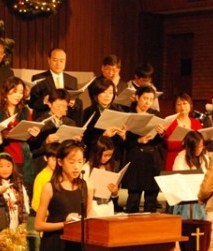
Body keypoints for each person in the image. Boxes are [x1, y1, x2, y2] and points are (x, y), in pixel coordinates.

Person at [121, 85, 166, 213]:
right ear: (137, 97)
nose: (147, 102)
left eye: (151, 100)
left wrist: (161, 133)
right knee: (133, 198)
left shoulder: (155, 115)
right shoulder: (129, 115)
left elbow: (159, 141)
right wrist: (138, 141)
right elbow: (124, 143)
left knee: (151, 199)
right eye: (145, 98)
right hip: (136, 158)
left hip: (152, 159)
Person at [0, 76, 37, 189]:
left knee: (23, 190)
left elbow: (30, 139)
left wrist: (34, 134)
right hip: (3, 156)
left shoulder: (24, 111)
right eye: (15, 91)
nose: (18, 95)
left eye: (21, 92)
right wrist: (0, 135)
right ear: (6, 91)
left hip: (23, 157)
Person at [31, 89, 78, 177]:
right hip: (44, 167)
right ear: (49, 104)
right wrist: (46, 142)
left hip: (64, 167)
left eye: (64, 106)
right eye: (58, 106)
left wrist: (76, 141)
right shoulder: (40, 123)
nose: (61, 109)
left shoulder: (70, 123)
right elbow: (32, 152)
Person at [29, 48, 82, 123]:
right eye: (55, 60)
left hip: (66, 120)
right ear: (49, 60)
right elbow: (32, 103)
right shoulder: (39, 78)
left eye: (61, 61)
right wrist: (44, 100)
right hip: (45, 120)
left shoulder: (72, 80)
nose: (58, 63)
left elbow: (77, 103)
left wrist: (73, 103)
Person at [82, 77, 126, 166]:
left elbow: (123, 142)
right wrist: (103, 135)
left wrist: (123, 136)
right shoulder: (88, 112)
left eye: (110, 92)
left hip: (114, 157)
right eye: (104, 92)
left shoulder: (119, 111)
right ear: (96, 94)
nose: (107, 96)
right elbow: (86, 138)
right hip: (94, 156)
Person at [171, 130, 210, 220]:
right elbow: (177, 179)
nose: (200, 149)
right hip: (186, 200)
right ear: (190, 147)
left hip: (201, 198)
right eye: (197, 147)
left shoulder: (204, 158)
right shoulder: (181, 158)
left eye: (202, 146)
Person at [164, 93, 203, 170]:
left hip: (192, 159)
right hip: (174, 158)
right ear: (175, 108)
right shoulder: (170, 122)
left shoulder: (196, 123)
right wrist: (185, 143)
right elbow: (167, 144)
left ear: (190, 105)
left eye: (185, 103)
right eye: (179, 104)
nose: (182, 107)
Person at [83, 136, 120, 217]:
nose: (107, 158)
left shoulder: (110, 167)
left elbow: (114, 194)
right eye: (105, 155)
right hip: (94, 206)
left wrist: (114, 192)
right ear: (97, 153)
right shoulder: (87, 167)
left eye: (110, 155)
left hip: (108, 206)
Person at [31, 142, 59, 213]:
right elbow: (35, 203)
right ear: (46, 158)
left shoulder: (64, 174)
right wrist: (49, 213)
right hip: (49, 217)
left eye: (58, 160)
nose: (56, 163)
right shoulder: (41, 177)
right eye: (54, 159)